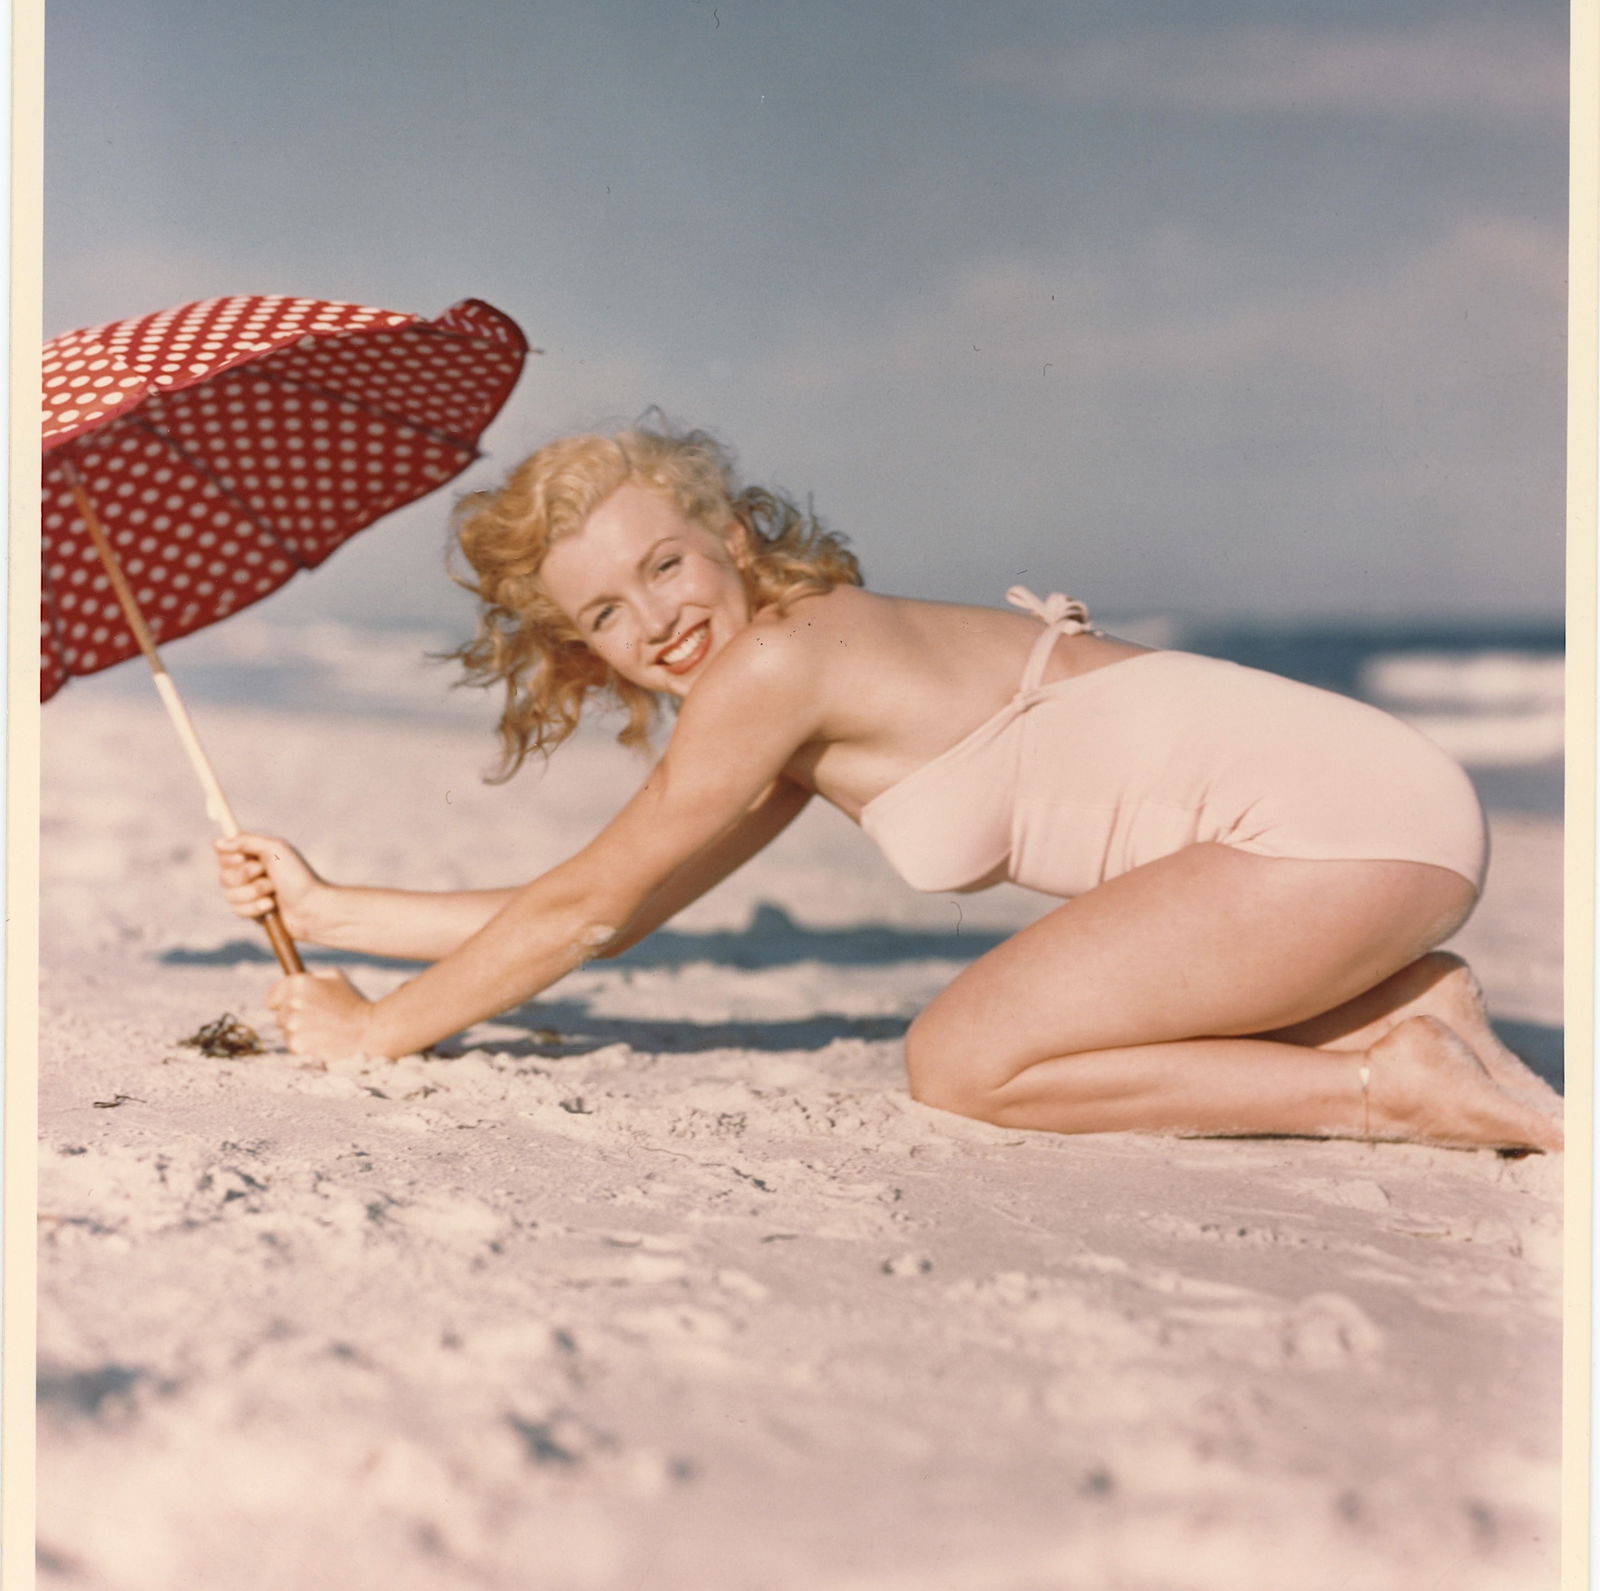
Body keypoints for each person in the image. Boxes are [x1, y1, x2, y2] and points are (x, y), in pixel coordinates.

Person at [216, 419, 1563, 1153]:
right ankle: (1403, 1001)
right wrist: (333, 909)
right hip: (1378, 822)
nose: (656, 620)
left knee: (965, 1060)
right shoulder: (787, 688)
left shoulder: (779, 665)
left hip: (1340, 830)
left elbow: (585, 907)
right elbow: (614, 911)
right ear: (580, 647)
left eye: (666, 565)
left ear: (730, 538)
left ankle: (1386, 1084)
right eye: (608, 612)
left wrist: (375, 1034)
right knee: (980, 1046)